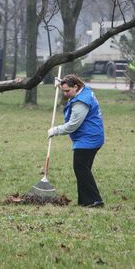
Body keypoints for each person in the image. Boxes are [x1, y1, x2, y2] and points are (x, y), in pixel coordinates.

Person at [48, 74, 104, 208]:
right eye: (63, 91)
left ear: (76, 87)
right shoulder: (84, 89)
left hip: (88, 138)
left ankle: (94, 200)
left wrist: (55, 130)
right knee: (83, 169)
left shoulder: (81, 102)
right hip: (92, 136)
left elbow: (73, 125)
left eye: (67, 91)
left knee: (81, 168)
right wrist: (60, 83)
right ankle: (85, 201)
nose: (66, 94)